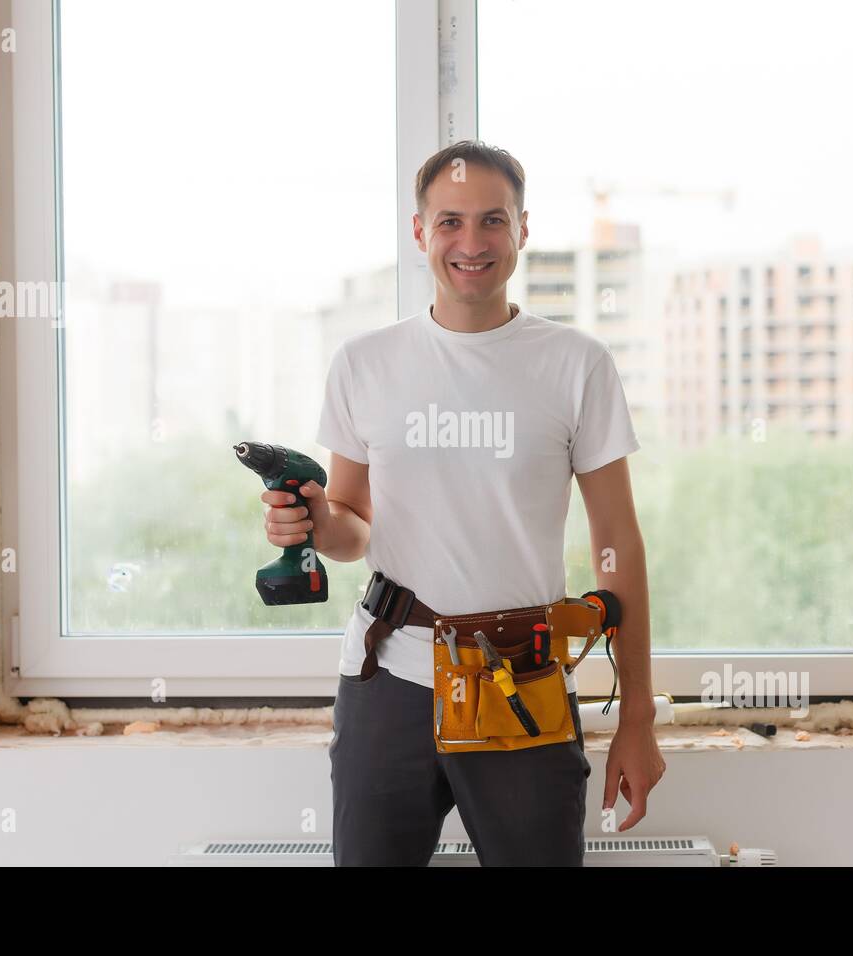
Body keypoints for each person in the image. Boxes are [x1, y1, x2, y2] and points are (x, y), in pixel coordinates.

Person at [260, 140, 665, 866]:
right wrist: (317, 523)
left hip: (522, 682)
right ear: (419, 233)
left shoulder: (577, 367)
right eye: (449, 222)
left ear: (523, 229)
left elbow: (618, 544)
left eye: (492, 221)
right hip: (390, 679)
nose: (471, 243)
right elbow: (353, 526)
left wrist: (638, 715)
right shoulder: (365, 363)